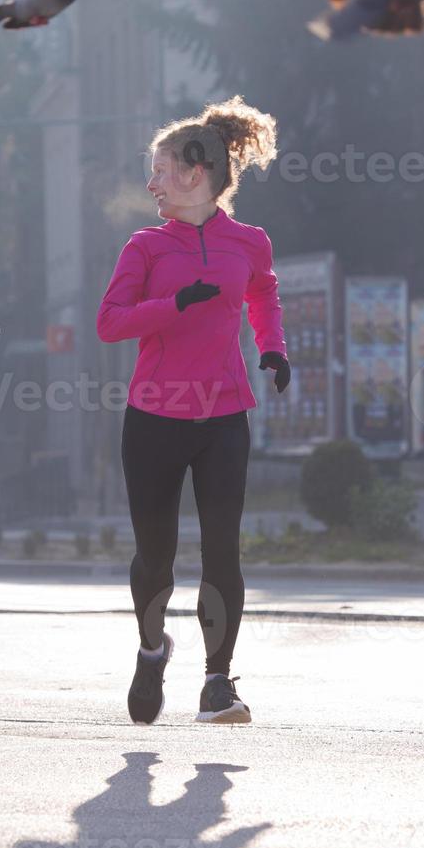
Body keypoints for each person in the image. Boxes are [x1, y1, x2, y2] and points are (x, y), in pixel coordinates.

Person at [96, 96, 287, 726]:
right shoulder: (145, 247)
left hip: (225, 415)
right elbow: (110, 324)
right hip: (154, 417)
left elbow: (262, 292)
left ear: (195, 174)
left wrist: (273, 348)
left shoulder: (249, 242)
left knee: (222, 551)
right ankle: (153, 650)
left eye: (159, 170)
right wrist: (177, 303)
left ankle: (217, 683)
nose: (150, 183)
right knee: (156, 556)